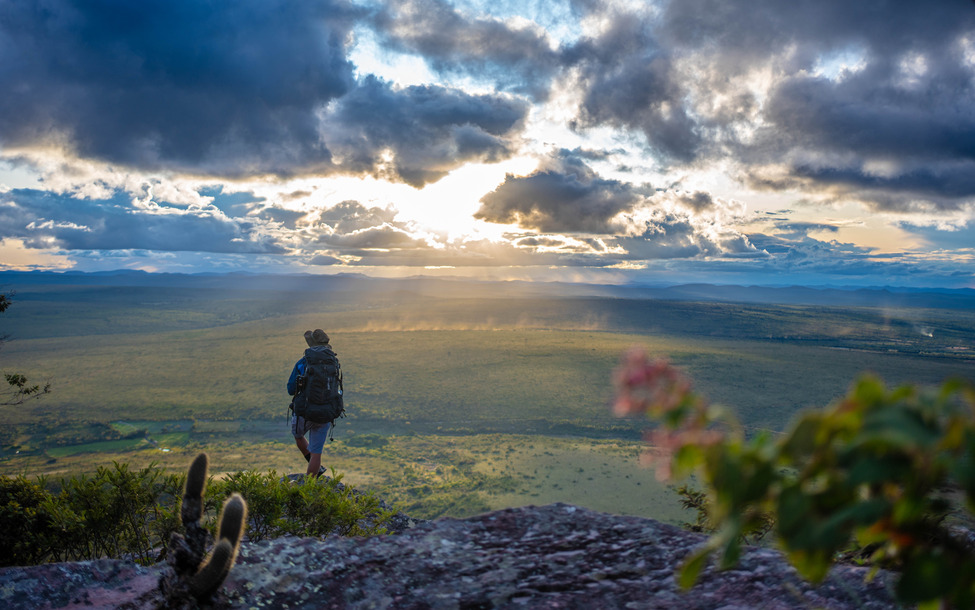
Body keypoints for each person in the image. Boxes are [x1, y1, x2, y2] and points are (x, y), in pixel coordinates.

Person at [287, 328, 335, 479]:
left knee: (298, 436)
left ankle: (310, 476)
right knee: (316, 452)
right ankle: (311, 486)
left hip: (305, 411)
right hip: (326, 411)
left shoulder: (302, 363)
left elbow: (290, 388)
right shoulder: (333, 361)